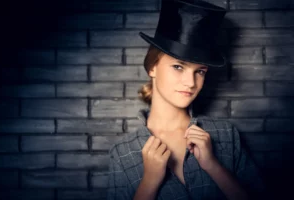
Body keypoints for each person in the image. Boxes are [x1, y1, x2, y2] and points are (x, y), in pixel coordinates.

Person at [106, 0, 266, 199]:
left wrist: (212, 166)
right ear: (152, 67)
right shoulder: (123, 153)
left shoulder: (225, 135)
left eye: (200, 71)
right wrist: (149, 182)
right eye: (178, 67)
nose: (191, 82)